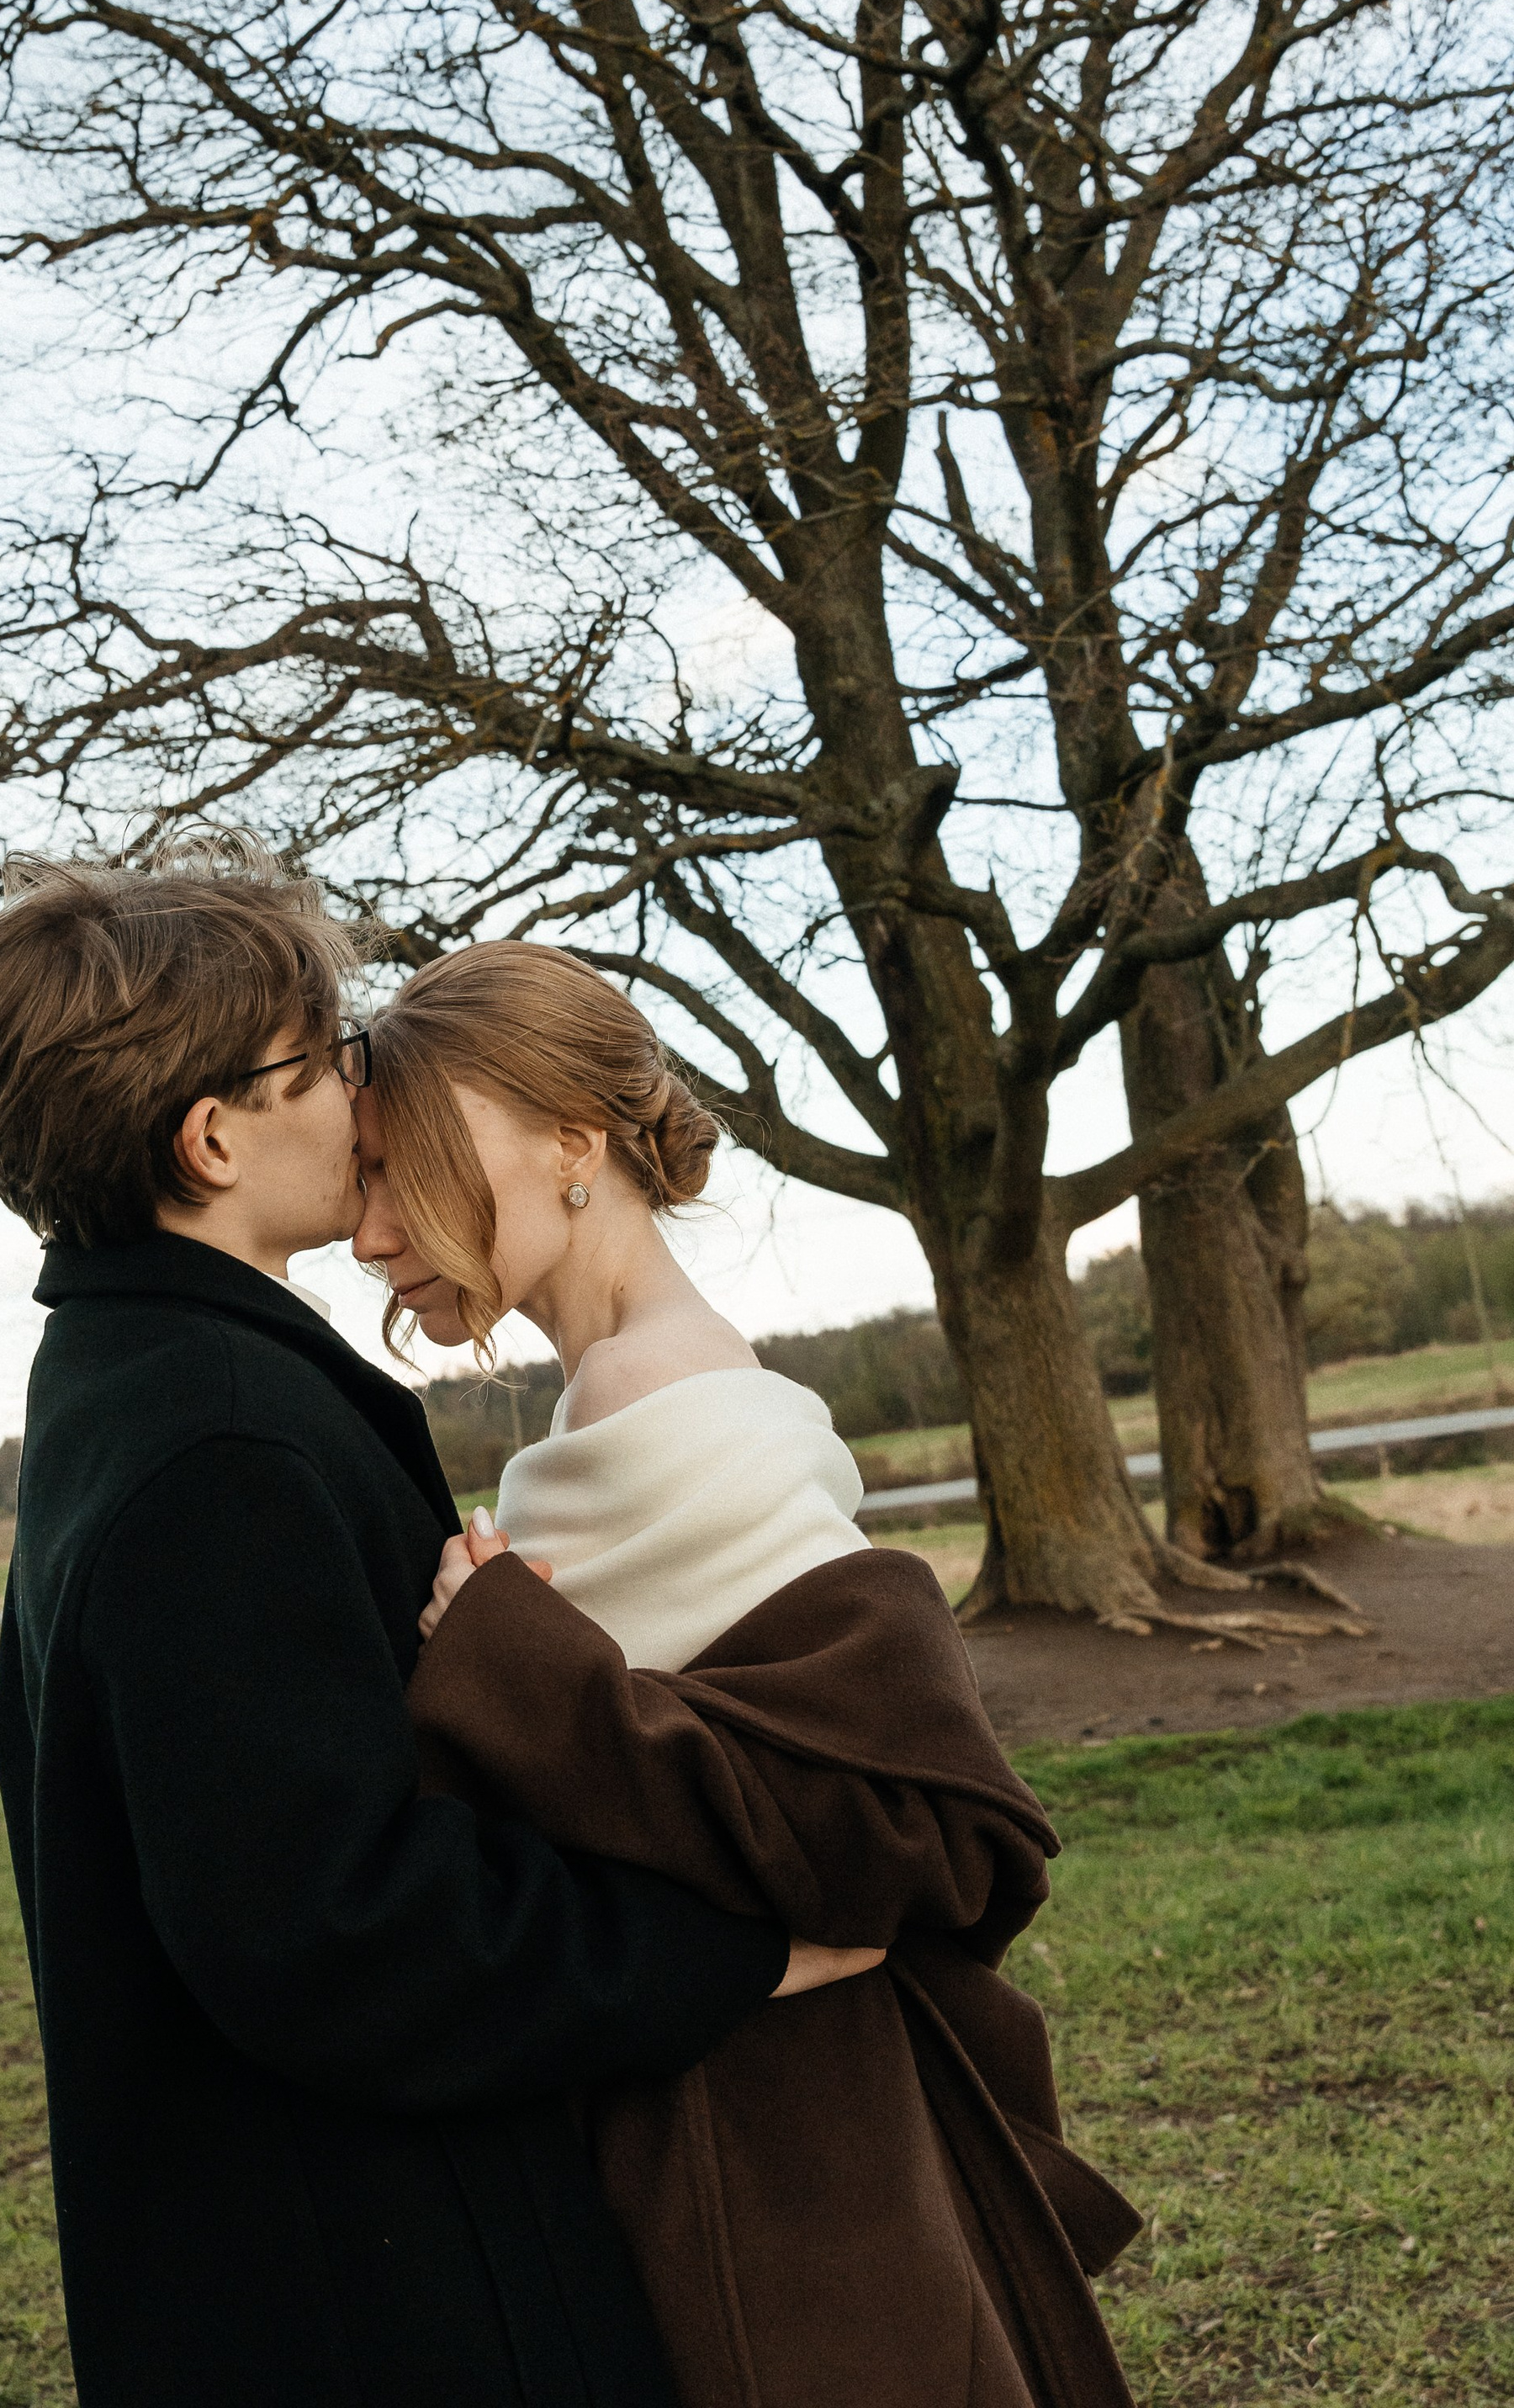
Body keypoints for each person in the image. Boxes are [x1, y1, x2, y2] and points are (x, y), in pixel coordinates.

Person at [0, 839, 868, 2408]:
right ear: (214, 1136)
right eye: (322, 1064)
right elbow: (341, 1930)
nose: (360, 1091)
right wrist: (749, 1945)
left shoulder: (135, 1390)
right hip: (377, 2304)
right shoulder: (217, 1444)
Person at [354, 941, 1141, 2408]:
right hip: (753, 2087)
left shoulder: (656, 1398)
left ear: (572, 1141)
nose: (371, 1231)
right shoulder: (629, 1385)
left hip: (777, 2132)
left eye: (409, 1169)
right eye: (365, 1178)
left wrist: (500, 1656)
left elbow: (850, 1803)